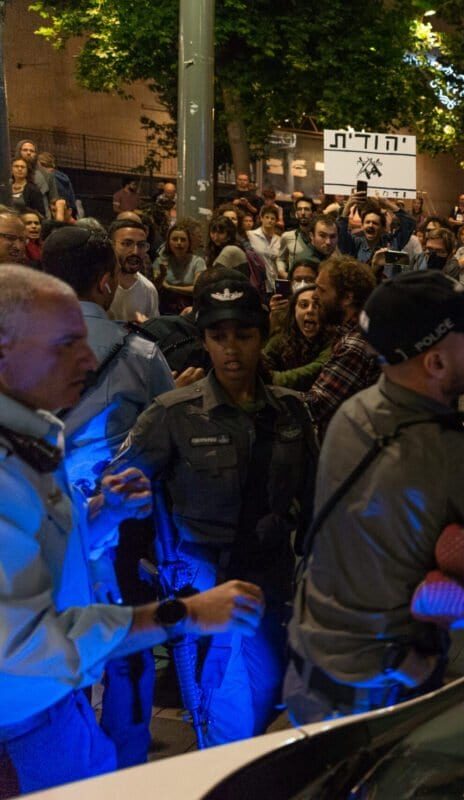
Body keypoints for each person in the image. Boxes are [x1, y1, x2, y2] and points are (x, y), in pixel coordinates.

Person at [0, 264, 263, 795]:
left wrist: (102, 518)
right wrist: (179, 614)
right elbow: (24, 651)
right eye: (67, 343)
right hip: (24, 733)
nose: (90, 359)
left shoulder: (28, 442)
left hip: (62, 710)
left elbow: (45, 562)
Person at [286, 271, 464, 723]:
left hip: (308, 672)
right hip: (383, 698)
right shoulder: (461, 462)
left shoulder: (352, 414)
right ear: (436, 363)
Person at [106, 273, 316, 745]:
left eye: (243, 336)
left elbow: (315, 498)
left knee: (266, 699)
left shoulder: (291, 413)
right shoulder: (172, 413)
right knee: (219, 710)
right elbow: (118, 486)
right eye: (218, 338)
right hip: (201, 581)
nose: (232, 349)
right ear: (204, 340)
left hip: (271, 581)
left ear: (262, 337)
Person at [40, 228, 177, 769]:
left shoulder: (20, 358)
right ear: (105, 281)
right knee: (124, 656)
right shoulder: (140, 354)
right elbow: (168, 434)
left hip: (52, 542)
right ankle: (124, 765)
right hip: (122, 534)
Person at [302, 255, 379, 437]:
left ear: (347, 298)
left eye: (321, 290)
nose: (314, 295)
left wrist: (270, 396)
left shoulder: (355, 345)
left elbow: (315, 406)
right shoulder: (354, 331)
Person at [264, 282, 334, 391]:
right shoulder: (283, 337)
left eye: (317, 306)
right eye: (304, 305)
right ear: (294, 311)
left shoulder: (334, 340)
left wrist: (270, 378)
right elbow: (262, 362)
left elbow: (316, 369)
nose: (310, 310)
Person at [108, 218, 159, 322]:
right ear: (111, 245)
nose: (135, 251)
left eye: (141, 245)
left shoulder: (148, 289)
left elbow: (154, 330)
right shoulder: (97, 285)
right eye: (127, 244)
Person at [151, 219, 206, 315]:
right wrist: (162, 275)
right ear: (168, 242)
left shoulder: (197, 262)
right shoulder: (160, 261)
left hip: (189, 310)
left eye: (183, 240)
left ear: (189, 242)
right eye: (175, 239)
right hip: (165, 310)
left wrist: (170, 287)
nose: (179, 243)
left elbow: (198, 289)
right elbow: (155, 288)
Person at [276, 196, 316, 278]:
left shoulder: (320, 237)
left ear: (313, 213)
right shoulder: (287, 236)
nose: (303, 212)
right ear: (296, 214)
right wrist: (282, 272)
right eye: (299, 209)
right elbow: (280, 259)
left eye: (306, 209)